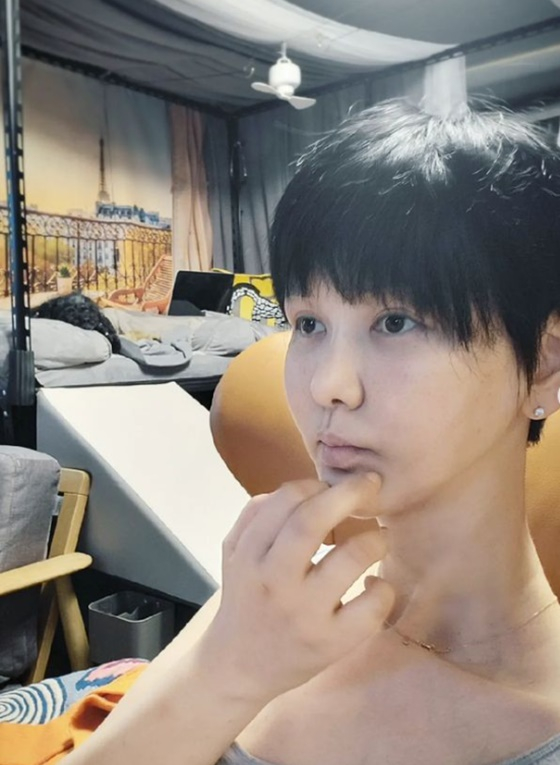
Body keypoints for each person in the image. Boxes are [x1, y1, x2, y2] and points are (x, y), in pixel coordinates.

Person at [66, 99, 560, 765]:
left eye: (396, 322)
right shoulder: (267, 608)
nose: (329, 384)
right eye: (308, 324)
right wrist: (224, 672)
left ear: (544, 363)